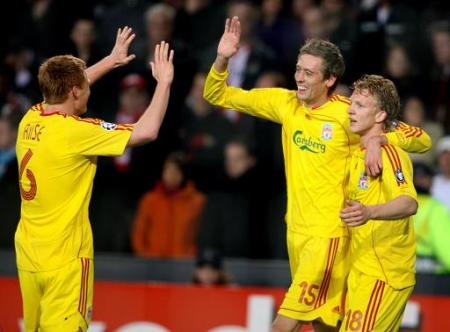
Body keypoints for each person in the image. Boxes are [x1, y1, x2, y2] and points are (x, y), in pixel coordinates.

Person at [203, 17, 431, 331]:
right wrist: (223, 58)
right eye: (298, 69)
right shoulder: (284, 104)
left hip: (330, 236)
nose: (299, 78)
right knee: (323, 325)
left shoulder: (348, 113)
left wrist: (380, 138)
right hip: (296, 233)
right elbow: (217, 95)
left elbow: (421, 138)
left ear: (329, 79)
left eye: (308, 73)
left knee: (282, 326)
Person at [15, 27, 174, 331]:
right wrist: (164, 83)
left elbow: (68, 87)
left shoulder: (30, 118)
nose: (89, 88)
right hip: (66, 263)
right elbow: (147, 130)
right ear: (75, 91)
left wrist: (110, 61)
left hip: (29, 256)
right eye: (83, 86)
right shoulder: (78, 132)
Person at [340, 75, 418, 332]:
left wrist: (369, 212)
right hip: (361, 270)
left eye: (361, 105)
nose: (351, 109)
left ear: (380, 115)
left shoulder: (390, 153)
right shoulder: (357, 152)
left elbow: (408, 203)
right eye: (352, 103)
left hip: (384, 274)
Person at [131, 151, 205, 258]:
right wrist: (145, 257)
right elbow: (138, 234)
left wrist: (191, 257)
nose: (171, 175)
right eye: (168, 170)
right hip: (153, 264)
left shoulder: (198, 202)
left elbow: (202, 235)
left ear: (184, 174)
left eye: (176, 171)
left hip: (183, 263)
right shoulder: (150, 200)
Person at [412, 162, 450, 273]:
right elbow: (446, 248)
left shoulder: (395, 207)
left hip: (400, 273)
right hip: (430, 278)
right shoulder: (434, 208)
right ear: (431, 182)